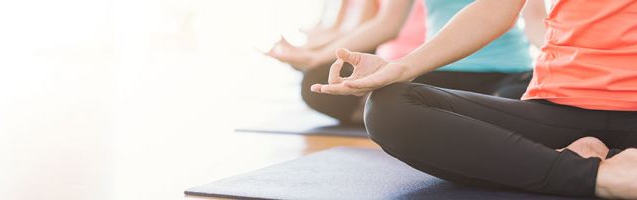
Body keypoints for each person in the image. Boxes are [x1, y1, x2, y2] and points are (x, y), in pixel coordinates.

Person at [311, 0, 637, 199]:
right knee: (390, 107)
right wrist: (400, 67)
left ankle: (571, 163)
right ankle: (598, 174)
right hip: (557, 108)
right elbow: (496, 7)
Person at [268, 0, 544, 125]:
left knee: (517, 101)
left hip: (507, 74)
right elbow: (386, 24)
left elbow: (535, 22)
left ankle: (467, 121)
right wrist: (315, 57)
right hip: (439, 71)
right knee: (378, 102)